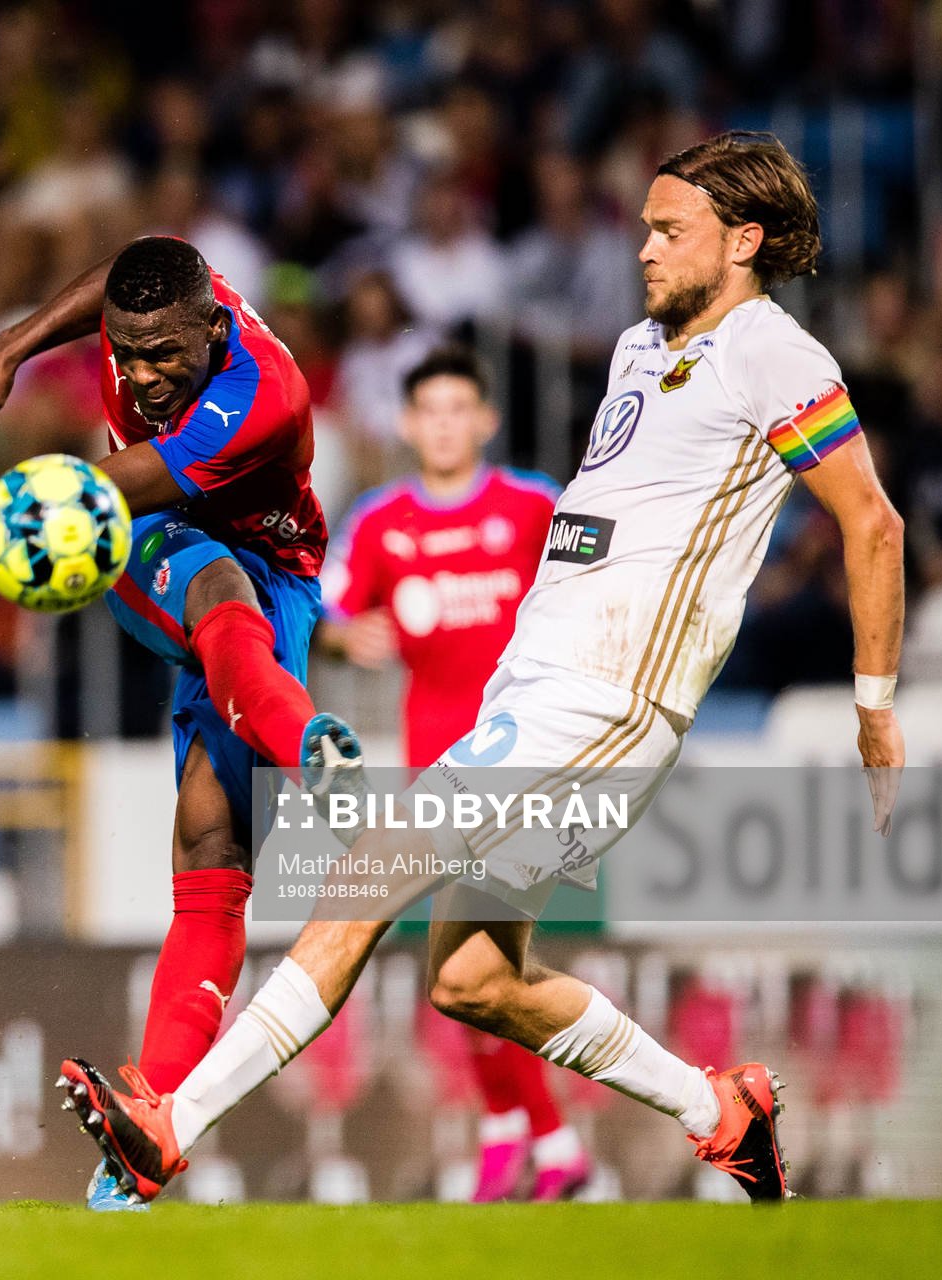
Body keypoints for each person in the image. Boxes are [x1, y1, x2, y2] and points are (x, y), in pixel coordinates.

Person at [58, 131, 907, 1206]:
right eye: (645, 226)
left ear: (743, 241)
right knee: (472, 977)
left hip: (611, 695)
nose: (644, 248)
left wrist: (875, 710)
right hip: (540, 684)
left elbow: (873, 524)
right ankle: (720, 1112)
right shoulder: (641, 347)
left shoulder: (776, 354)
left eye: (668, 230)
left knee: (371, 869)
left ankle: (169, 1127)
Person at [0, 235, 364, 1211]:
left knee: (213, 847)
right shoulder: (168, 295)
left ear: (214, 330)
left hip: (274, 571)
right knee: (214, 594)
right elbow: (116, 279)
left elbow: (82, 497)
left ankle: (142, 1136)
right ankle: (313, 751)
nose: (145, 376)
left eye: (166, 355)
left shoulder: (262, 397)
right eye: (128, 355)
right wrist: (10, 349)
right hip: (155, 541)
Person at [316, 346, 589, 1202]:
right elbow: (325, 604)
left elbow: (599, 579)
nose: (442, 425)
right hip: (434, 766)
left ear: (485, 420)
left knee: (478, 958)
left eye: (457, 409)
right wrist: (341, 635)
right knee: (459, 967)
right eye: (428, 411)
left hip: (527, 765)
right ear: (407, 424)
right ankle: (527, 1136)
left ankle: (536, 1137)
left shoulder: (534, 505)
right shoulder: (381, 522)